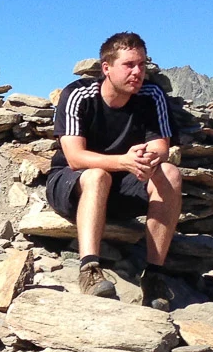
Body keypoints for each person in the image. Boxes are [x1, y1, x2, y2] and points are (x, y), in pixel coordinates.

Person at [46, 31, 183, 309]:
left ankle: (154, 276)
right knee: (98, 175)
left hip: (122, 185)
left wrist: (147, 158)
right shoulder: (79, 95)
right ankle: (90, 270)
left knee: (170, 173)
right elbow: (75, 157)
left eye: (142, 65)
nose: (138, 72)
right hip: (71, 184)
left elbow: (161, 147)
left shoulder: (151, 94)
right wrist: (123, 161)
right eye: (129, 65)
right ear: (106, 68)